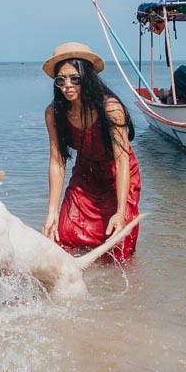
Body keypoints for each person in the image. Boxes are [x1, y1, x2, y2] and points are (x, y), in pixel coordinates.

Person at [41, 42, 141, 262]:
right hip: (85, 173)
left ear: (87, 77)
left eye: (74, 78)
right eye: (61, 80)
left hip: (119, 174)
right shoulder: (54, 113)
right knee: (64, 235)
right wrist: (51, 212)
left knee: (119, 243)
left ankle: (120, 292)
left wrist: (121, 210)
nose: (67, 85)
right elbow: (57, 162)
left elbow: (122, 160)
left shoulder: (111, 108)